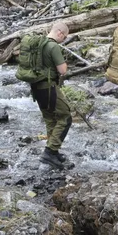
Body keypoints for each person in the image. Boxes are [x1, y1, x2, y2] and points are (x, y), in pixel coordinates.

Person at [31, 22, 74, 169]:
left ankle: (53, 152)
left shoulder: (37, 44)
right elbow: (62, 70)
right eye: (65, 37)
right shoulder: (53, 46)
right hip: (49, 88)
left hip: (36, 88)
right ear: (60, 33)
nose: (64, 39)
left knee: (50, 119)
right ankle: (50, 152)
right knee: (66, 117)